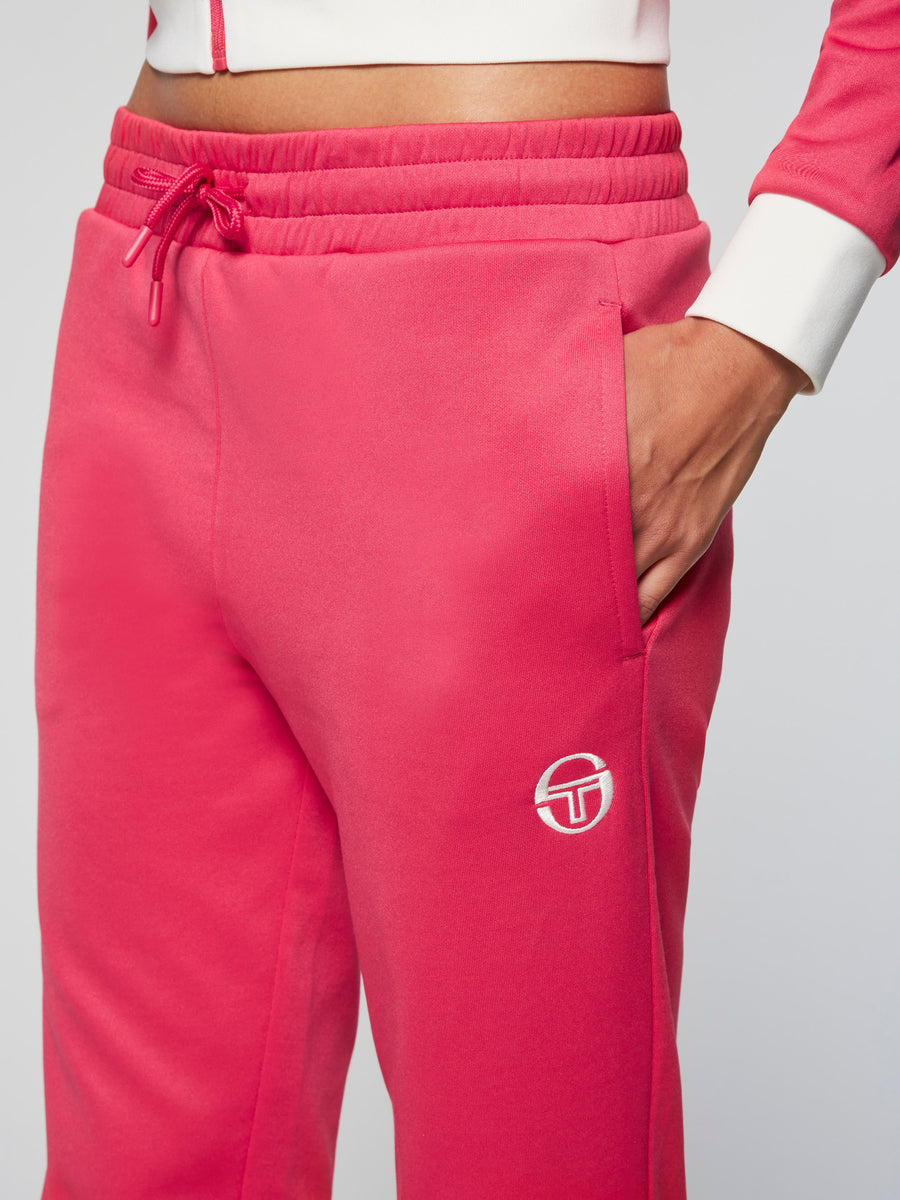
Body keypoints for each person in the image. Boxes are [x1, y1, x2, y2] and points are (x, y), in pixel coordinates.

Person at [33, 3, 899, 1198]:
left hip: (496, 295)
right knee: (136, 1168)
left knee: (528, 1157)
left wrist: (767, 328)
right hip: (152, 276)